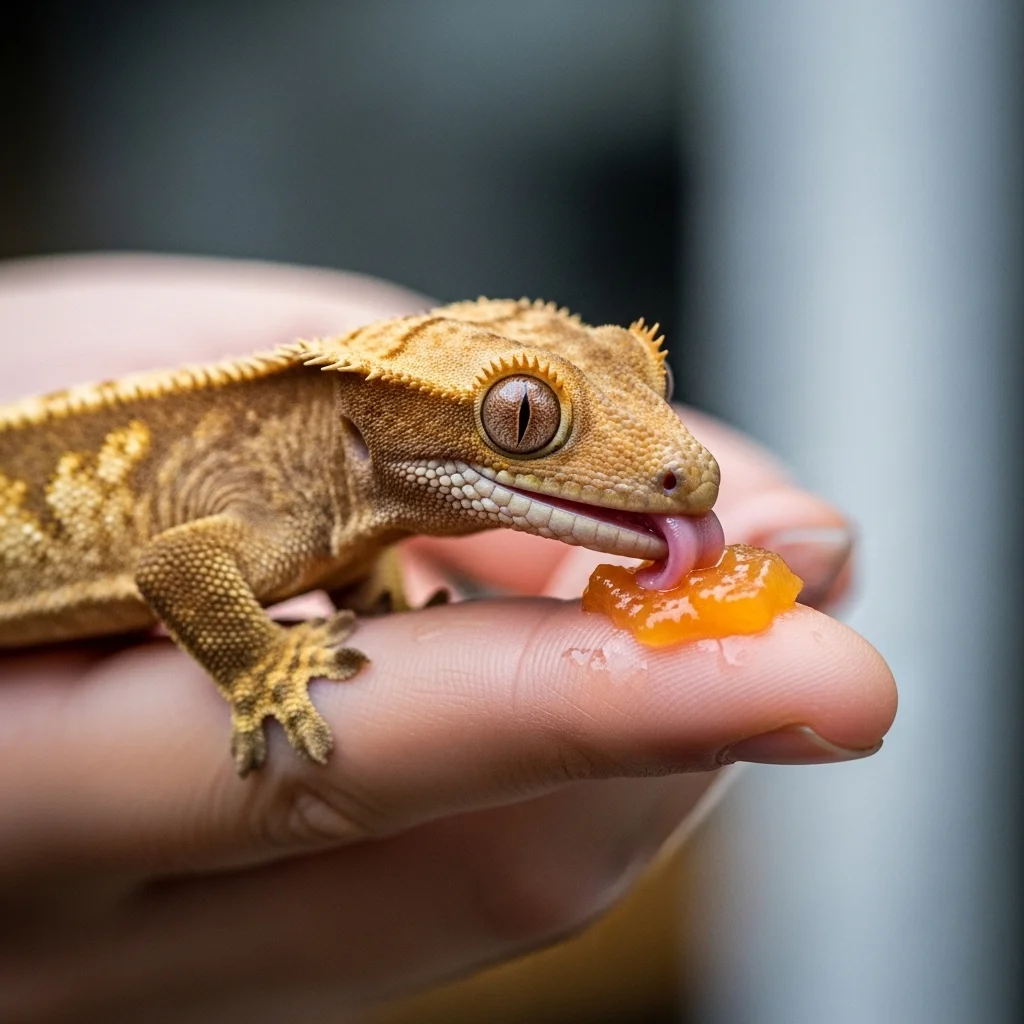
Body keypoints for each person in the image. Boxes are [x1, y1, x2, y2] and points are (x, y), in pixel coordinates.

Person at [0, 255, 896, 1020]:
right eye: (523, 424)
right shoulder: (275, 502)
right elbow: (182, 569)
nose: (677, 466)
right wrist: (262, 666)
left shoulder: (342, 512)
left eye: (642, 381)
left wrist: (364, 582)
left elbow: (336, 544)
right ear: (368, 426)